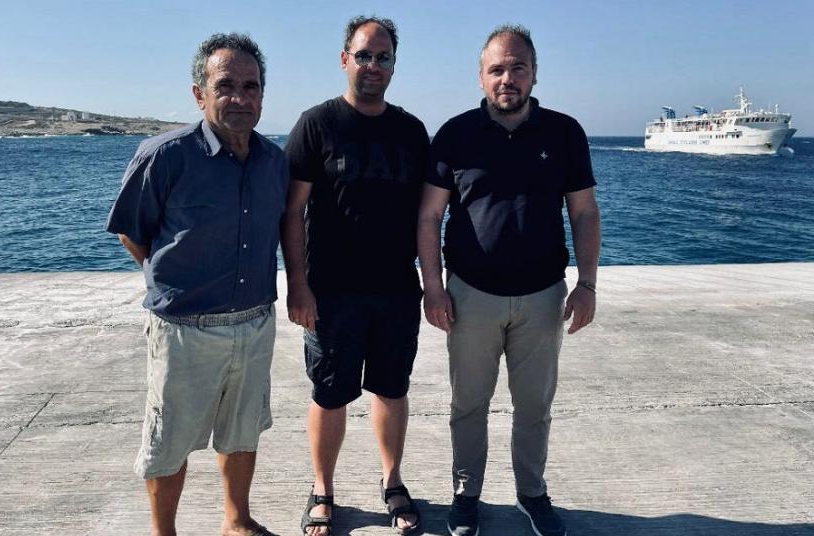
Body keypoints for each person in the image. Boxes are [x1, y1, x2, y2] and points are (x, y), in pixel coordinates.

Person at [417, 24, 601, 536]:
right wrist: (433, 287)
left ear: (534, 74)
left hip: (543, 297)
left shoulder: (564, 132)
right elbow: (429, 216)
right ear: (481, 77)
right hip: (470, 296)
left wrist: (587, 284)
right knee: (468, 405)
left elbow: (584, 212)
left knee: (534, 406)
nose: (507, 78)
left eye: (518, 68)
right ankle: (465, 494)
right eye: (497, 69)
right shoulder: (455, 135)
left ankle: (532, 493)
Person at [105, 33, 287, 536]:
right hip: (184, 330)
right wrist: (172, 278)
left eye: (251, 86)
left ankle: (237, 520)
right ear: (199, 93)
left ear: (262, 95)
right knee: (169, 443)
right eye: (225, 85)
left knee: (243, 431)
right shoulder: (164, 155)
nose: (240, 97)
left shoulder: (274, 162)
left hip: (254, 323)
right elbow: (131, 231)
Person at [281, 15, 430, 536]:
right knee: (330, 393)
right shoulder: (316, 124)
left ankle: (392, 481)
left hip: (396, 289)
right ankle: (322, 489)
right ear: (345, 59)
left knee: (392, 388)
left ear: (393, 65)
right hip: (330, 291)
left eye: (382, 57)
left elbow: (428, 215)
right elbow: (291, 212)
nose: (373, 65)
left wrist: (433, 285)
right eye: (363, 55)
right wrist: (297, 285)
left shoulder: (411, 131)